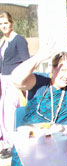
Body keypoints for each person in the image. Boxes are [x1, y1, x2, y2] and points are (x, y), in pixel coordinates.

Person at [0, 11, 30, 158]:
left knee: (11, 113)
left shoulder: (19, 40)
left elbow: (27, 62)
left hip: (14, 81)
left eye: (5, 23)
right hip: (3, 80)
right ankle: (6, 144)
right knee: (3, 113)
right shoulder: (2, 42)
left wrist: (23, 82)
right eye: (0, 24)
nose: (3, 26)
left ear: (11, 23)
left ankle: (13, 144)